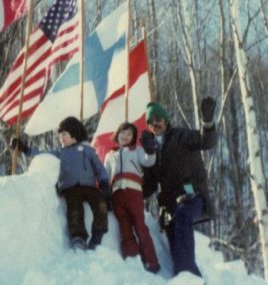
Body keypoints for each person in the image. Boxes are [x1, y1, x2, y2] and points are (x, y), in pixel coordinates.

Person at [142, 97, 217, 277]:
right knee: (176, 245)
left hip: (191, 193)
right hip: (169, 205)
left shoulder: (181, 136)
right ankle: (188, 277)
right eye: (150, 122)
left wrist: (207, 123)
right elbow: (150, 185)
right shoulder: (151, 149)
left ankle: (187, 277)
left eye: (158, 120)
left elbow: (206, 141)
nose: (155, 124)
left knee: (183, 216)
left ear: (166, 120)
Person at [12, 116, 110, 250]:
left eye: (64, 134)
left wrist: (104, 183)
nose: (61, 137)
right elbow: (42, 154)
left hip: (89, 187)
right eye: (59, 135)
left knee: (101, 205)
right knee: (74, 208)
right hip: (70, 188)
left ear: (74, 134)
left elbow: (99, 167)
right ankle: (78, 237)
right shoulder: (60, 152)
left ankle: (98, 234)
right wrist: (25, 149)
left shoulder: (88, 151)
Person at [104, 122, 160, 273]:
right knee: (124, 226)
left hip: (134, 192)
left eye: (129, 134)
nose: (125, 136)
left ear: (133, 138)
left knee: (139, 225)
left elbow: (149, 160)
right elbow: (106, 175)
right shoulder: (110, 155)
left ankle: (151, 262)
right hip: (117, 194)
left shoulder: (137, 151)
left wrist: (150, 150)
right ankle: (132, 258)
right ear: (117, 133)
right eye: (123, 132)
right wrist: (105, 191)